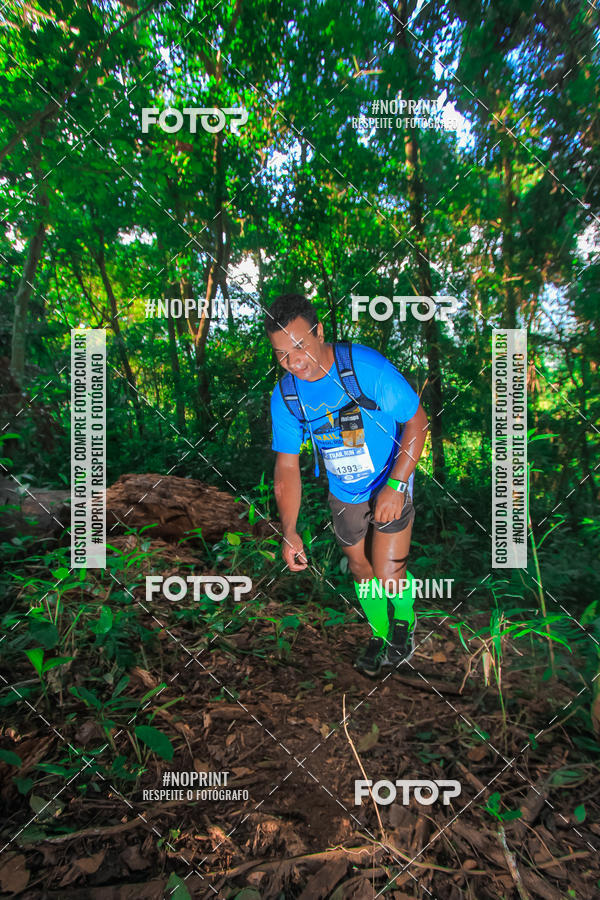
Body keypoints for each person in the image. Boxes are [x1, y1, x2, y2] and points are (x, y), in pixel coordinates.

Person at [266, 293, 429, 677]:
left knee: (389, 572)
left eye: (300, 346)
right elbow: (286, 466)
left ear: (319, 331)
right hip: (344, 491)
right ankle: (379, 630)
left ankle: (404, 620)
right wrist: (289, 531)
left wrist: (396, 485)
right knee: (360, 568)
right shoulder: (287, 397)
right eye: (282, 354)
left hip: (389, 477)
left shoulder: (365, 368)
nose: (294, 362)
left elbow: (417, 421)